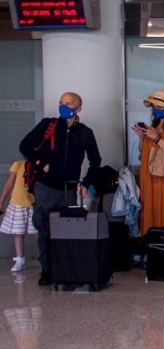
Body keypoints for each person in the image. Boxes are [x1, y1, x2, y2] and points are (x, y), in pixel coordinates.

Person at [19, 92, 102, 285]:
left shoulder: (85, 132)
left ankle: (66, 268)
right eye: (61, 103)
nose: (64, 106)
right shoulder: (48, 125)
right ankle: (46, 269)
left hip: (69, 189)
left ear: (78, 109)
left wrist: (86, 183)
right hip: (45, 187)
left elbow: (95, 160)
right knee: (45, 228)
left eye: (68, 103)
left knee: (67, 229)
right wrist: (41, 163)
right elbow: (25, 145)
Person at [133, 90, 164, 238]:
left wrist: (156, 138)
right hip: (148, 175)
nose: (156, 109)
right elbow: (144, 151)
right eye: (154, 106)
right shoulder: (153, 126)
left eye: (160, 107)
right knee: (148, 210)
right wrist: (142, 137)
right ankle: (150, 246)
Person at [0, 159, 38, 272]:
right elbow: (9, 183)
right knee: (18, 232)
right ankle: (20, 259)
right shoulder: (18, 164)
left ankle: (44, 259)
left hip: (34, 204)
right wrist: (1, 200)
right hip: (17, 203)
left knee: (38, 232)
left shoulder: (41, 165)